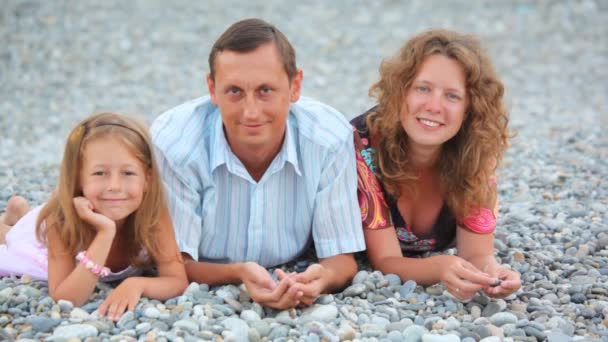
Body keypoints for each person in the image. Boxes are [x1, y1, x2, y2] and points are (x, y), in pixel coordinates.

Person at [151, 18, 365, 309]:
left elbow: (340, 256)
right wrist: (236, 274)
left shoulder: (329, 139)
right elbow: (174, 264)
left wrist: (323, 278)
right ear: (212, 89)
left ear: (295, 86)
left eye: (265, 90)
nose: (251, 112)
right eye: (234, 91)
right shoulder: (174, 144)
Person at [353, 29, 521, 300]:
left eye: (452, 96)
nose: (434, 106)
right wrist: (439, 267)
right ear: (401, 91)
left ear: (470, 109)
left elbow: (477, 253)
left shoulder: (477, 149)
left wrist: (492, 273)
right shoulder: (363, 144)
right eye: (423, 88)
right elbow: (384, 261)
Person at [0, 113, 188, 320]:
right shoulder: (59, 221)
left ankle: (18, 213)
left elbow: (177, 281)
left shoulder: (153, 214)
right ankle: (12, 220)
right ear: (79, 178)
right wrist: (105, 233)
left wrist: (137, 284)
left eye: (128, 173)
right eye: (100, 173)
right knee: (12, 240)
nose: (115, 186)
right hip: (40, 238)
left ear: (148, 179)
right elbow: (67, 299)